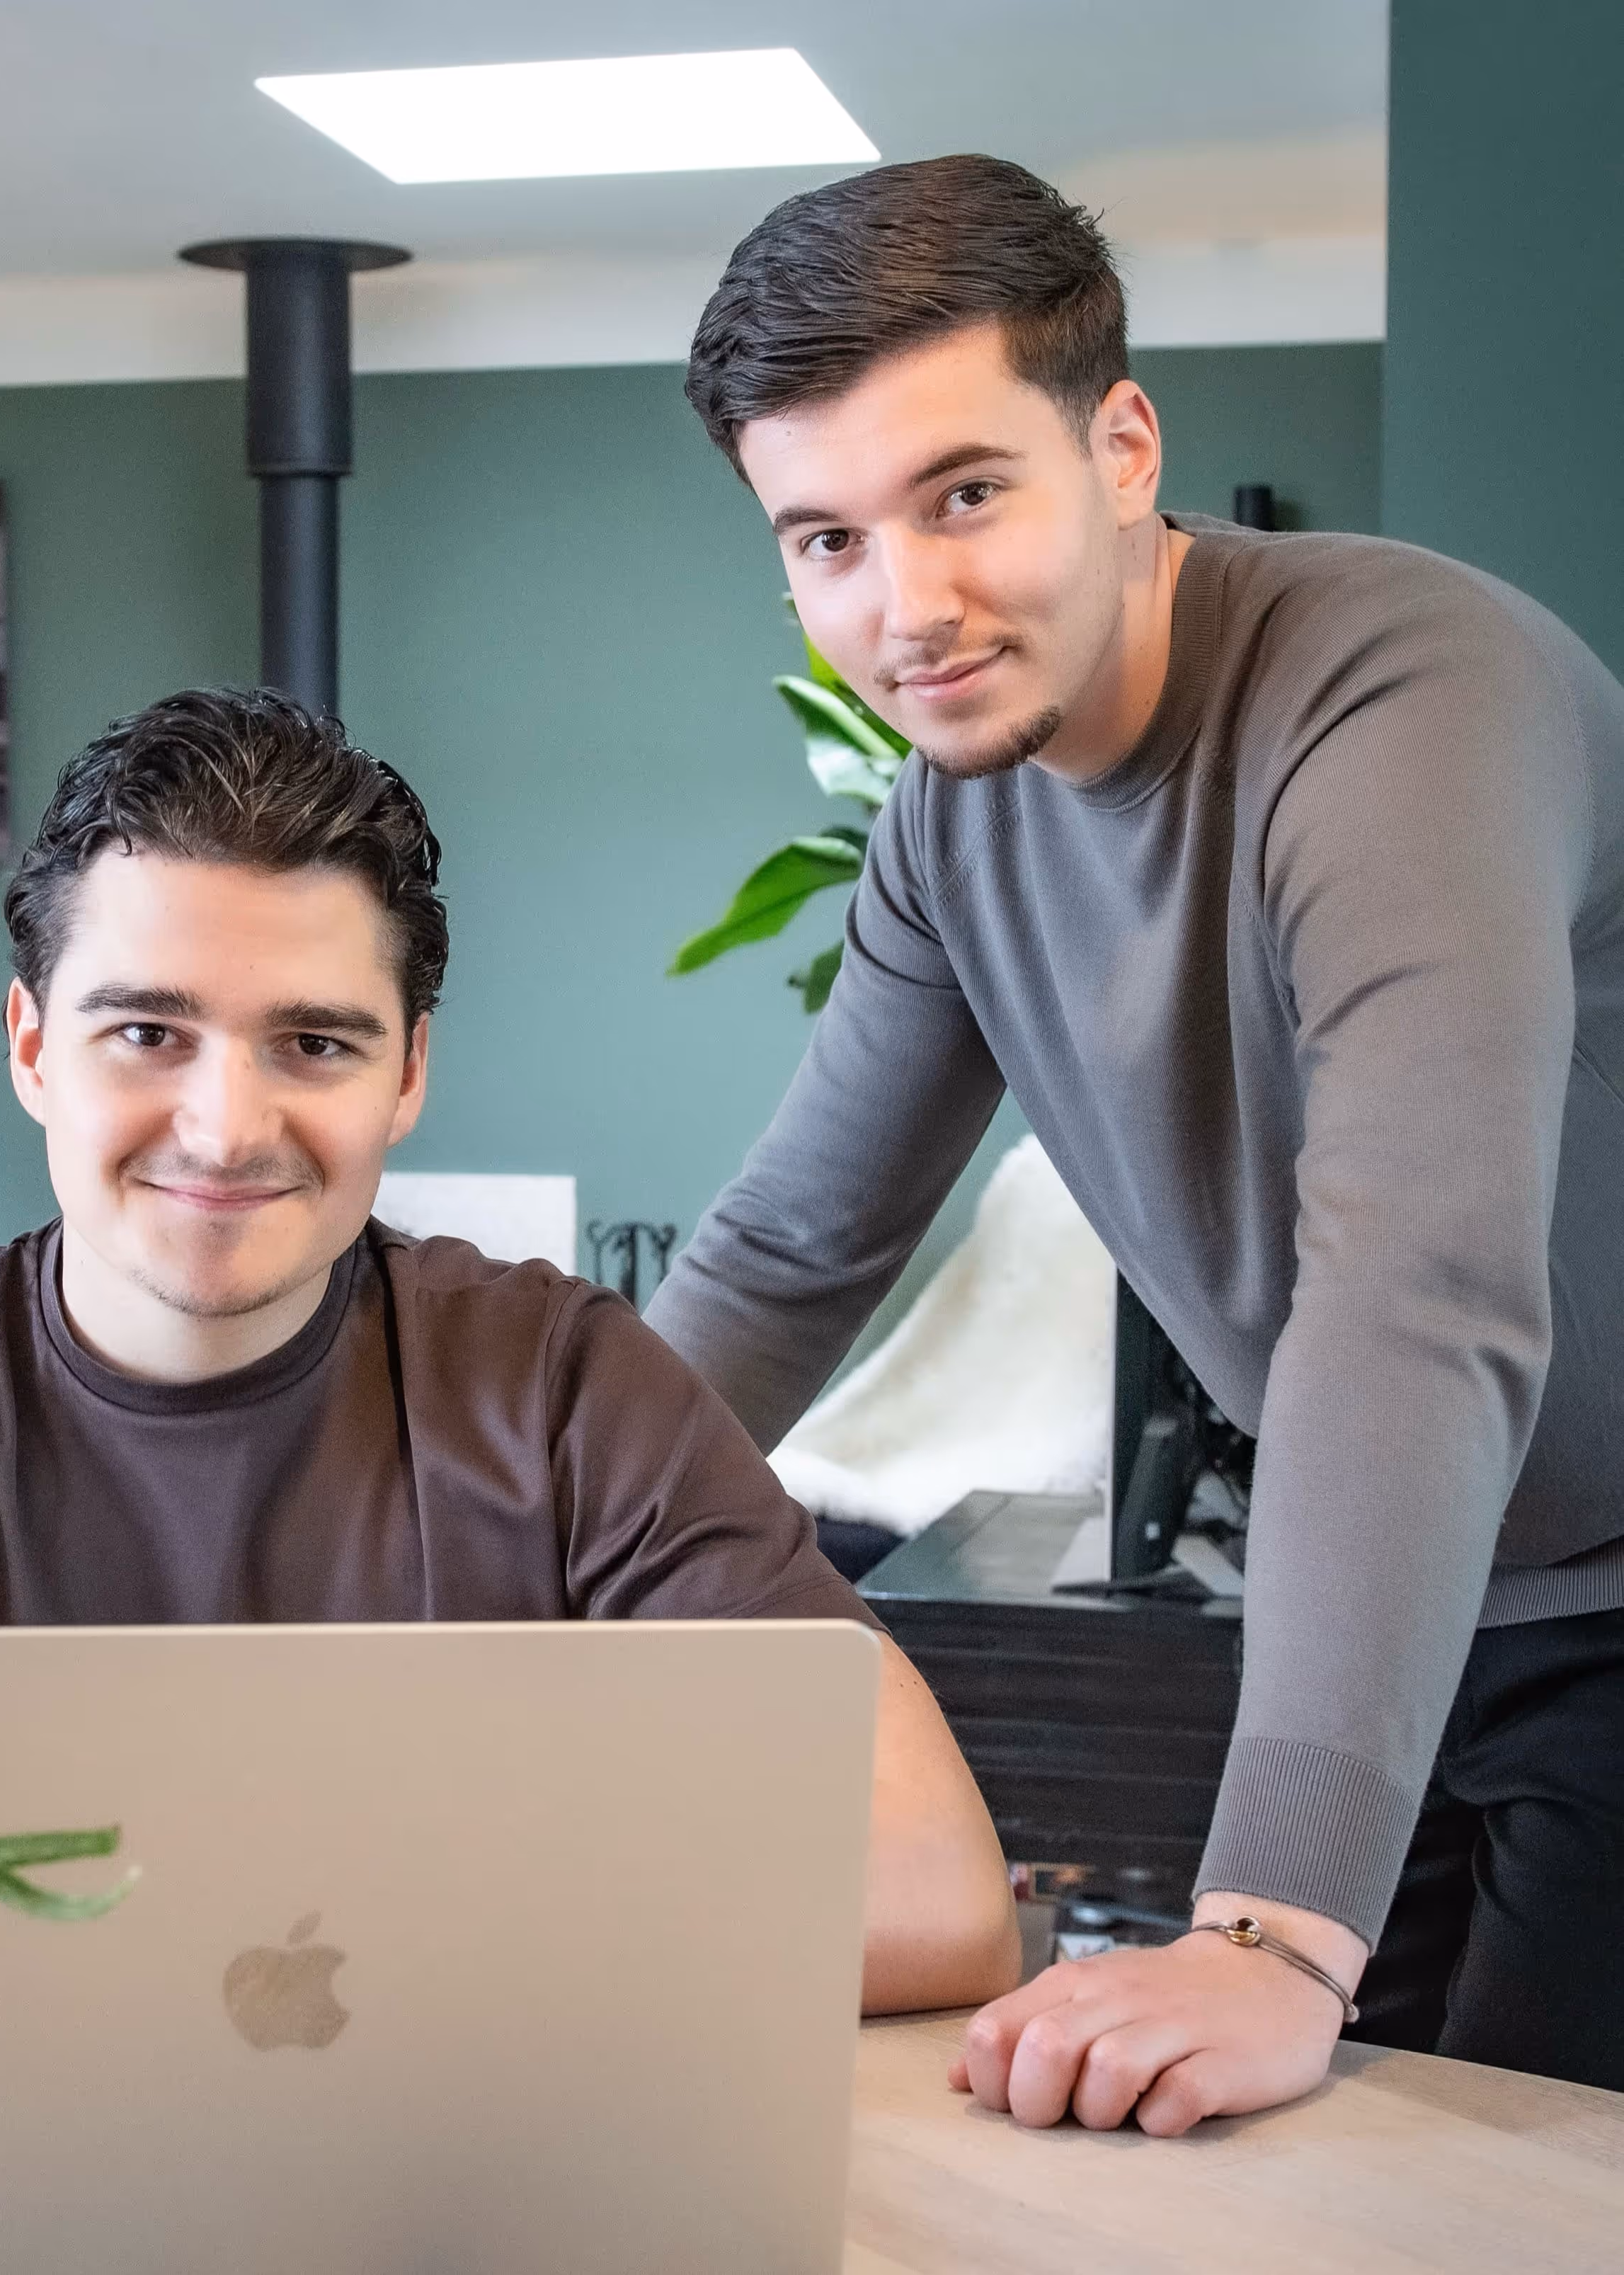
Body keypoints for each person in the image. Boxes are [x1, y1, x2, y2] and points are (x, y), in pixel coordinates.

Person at [0, 687, 1019, 2072]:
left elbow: (926, 1886)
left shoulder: (565, 1393)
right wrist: (26, 2026)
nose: (225, 1125)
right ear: (31, 1047)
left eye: (315, 1045)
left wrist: (248, 2002)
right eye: (147, 1031)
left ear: (408, 1069)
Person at [647, 152, 1624, 2130]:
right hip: (1417, 1612)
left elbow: (1413, 1284)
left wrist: (1266, 1931)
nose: (903, 606)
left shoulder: (1405, 694)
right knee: (1320, 2173)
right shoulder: (951, 826)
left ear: (1117, 446)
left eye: (962, 495)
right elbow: (789, 1249)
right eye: (824, 538)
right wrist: (463, 1572)